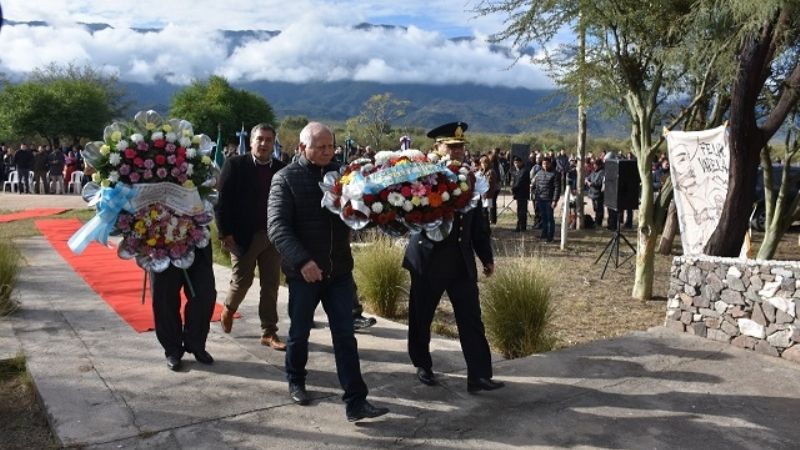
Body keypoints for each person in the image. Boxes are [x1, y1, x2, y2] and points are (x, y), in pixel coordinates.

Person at [267, 122, 388, 422]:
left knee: (346, 337)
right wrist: (302, 261)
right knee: (299, 333)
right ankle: (296, 379)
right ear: (301, 148)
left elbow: (358, 214)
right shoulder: (285, 179)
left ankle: (356, 401)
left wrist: (374, 210)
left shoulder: (346, 177)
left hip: (339, 273)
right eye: (319, 147)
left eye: (329, 146)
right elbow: (277, 227)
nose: (326, 152)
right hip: (304, 274)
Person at [404, 121, 504, 394]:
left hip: (460, 261)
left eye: (461, 146)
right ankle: (423, 365)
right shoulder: (421, 174)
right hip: (428, 259)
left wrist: (486, 257)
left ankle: (479, 375)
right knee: (421, 315)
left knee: (472, 319)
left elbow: (479, 223)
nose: (457, 151)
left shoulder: (471, 178)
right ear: (437, 147)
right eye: (451, 146)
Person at [215, 123, 287, 350]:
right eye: (260, 139)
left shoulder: (281, 168)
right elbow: (222, 201)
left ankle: (269, 332)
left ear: (273, 142)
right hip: (242, 237)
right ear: (252, 141)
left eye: (268, 140)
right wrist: (225, 233)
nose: (264, 144)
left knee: (271, 284)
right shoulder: (235, 164)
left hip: (272, 236)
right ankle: (228, 309)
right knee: (243, 280)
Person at [151, 245, 217, 371]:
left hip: (197, 242)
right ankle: (172, 349)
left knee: (205, 294)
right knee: (165, 298)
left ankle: (196, 343)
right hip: (161, 244)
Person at [532, 157, 561, 242]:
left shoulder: (555, 174)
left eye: (547, 163)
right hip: (540, 199)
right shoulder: (539, 173)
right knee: (543, 218)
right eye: (543, 164)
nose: (545, 165)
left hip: (549, 200)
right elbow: (535, 185)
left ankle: (550, 236)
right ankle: (544, 234)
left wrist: (555, 200)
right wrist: (535, 193)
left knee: (549, 219)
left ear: (550, 163)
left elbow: (557, 188)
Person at [510, 156, 531, 232]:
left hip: (523, 194)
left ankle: (522, 227)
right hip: (518, 194)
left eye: (517, 162)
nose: (516, 164)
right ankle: (520, 225)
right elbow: (513, 181)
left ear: (521, 162)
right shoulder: (515, 171)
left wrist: (513, 189)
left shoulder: (524, 171)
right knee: (519, 210)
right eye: (515, 163)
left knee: (522, 211)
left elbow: (520, 182)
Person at [586, 159, 606, 228]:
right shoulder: (593, 172)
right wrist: (587, 180)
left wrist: (591, 183)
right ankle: (596, 221)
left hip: (598, 194)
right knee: (595, 209)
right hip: (592, 194)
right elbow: (588, 178)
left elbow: (599, 183)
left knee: (599, 209)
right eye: (594, 165)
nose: (594, 166)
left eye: (596, 165)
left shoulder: (602, 172)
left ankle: (598, 223)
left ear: (599, 165)